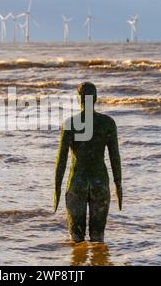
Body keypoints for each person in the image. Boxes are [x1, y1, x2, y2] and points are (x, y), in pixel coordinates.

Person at [54, 82, 122, 243]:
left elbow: (61, 160)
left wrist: (56, 189)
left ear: (80, 99)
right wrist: (118, 185)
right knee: (98, 238)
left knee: (76, 238)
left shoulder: (70, 124)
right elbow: (115, 157)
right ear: (96, 98)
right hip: (100, 183)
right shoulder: (108, 123)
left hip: (77, 183)